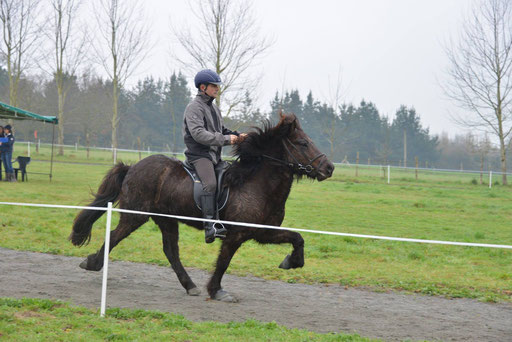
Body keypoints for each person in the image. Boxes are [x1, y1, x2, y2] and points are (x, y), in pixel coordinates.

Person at [183, 69, 246, 243]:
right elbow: (198, 134)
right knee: (210, 183)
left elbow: (221, 131)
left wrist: (238, 136)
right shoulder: (193, 107)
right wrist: (227, 140)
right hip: (199, 155)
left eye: (217, 86)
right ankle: (210, 225)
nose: (217, 89)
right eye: (214, 86)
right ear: (203, 87)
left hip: (214, 156)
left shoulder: (214, 108)